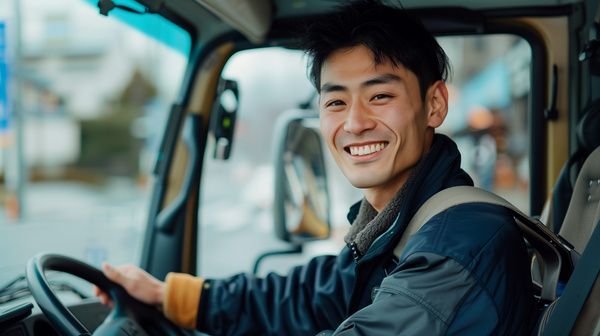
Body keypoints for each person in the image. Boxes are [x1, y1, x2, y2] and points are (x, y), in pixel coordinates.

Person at [95, 1, 535, 334]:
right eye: (336, 101)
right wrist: (166, 295)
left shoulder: (457, 246)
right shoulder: (395, 229)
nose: (355, 123)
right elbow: (310, 296)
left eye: (379, 96)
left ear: (433, 104)